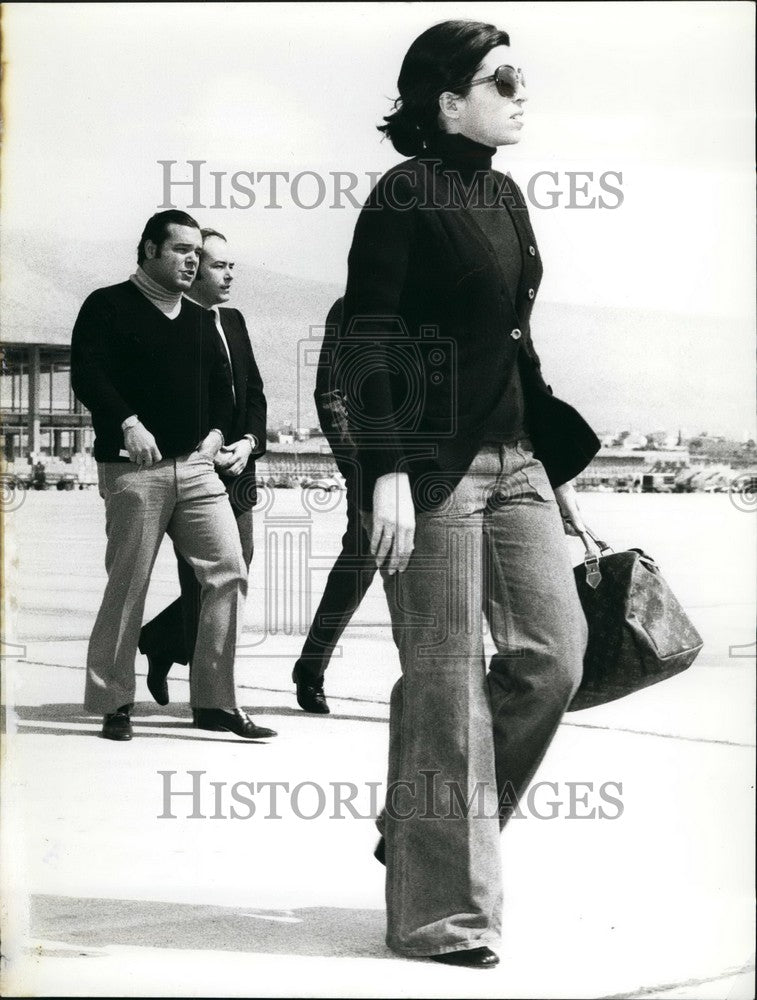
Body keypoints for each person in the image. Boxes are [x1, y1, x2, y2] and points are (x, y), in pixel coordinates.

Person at [336, 20, 600, 967]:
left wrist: (554, 472)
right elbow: (371, 335)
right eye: (504, 79)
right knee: (445, 687)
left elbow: (511, 340)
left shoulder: (504, 193)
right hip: (435, 471)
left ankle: (418, 827)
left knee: (555, 658)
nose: (522, 92)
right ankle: (440, 914)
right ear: (449, 101)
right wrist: (390, 471)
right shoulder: (404, 194)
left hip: (519, 460)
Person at [71, 210, 276, 742]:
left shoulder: (196, 319)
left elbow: (219, 391)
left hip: (195, 469)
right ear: (149, 250)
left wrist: (212, 438)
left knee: (228, 569)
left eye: (195, 252)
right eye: (182, 250)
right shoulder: (107, 305)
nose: (192, 260)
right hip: (133, 471)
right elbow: (88, 374)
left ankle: (215, 703)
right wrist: (127, 421)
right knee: (128, 583)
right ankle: (115, 702)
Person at [138, 228, 267, 706]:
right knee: (197, 576)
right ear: (190, 271)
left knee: (239, 562)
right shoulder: (170, 322)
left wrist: (250, 442)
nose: (228, 274)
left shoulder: (233, 320)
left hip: (240, 464)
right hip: (193, 467)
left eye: (232, 266)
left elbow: (253, 392)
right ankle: (209, 699)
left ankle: (161, 641)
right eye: (218, 265)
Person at [291, 297, 378, 714]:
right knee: (360, 565)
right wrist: (356, 464)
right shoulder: (351, 307)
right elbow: (328, 392)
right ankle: (312, 666)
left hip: (437, 458)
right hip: (372, 459)